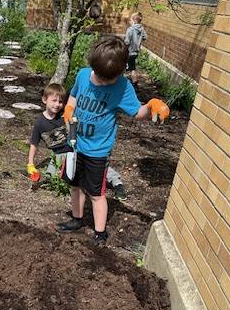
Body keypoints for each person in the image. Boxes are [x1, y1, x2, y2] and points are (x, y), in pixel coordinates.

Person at [57, 35, 164, 246]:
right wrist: (69, 108)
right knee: (76, 185)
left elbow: (137, 113)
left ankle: (100, 233)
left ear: (121, 71)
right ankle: (77, 219)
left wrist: (151, 105)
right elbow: (74, 96)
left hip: (98, 150)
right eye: (99, 77)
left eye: (108, 80)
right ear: (92, 66)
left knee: (96, 194)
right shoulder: (83, 75)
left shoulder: (123, 87)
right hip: (75, 144)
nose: (102, 82)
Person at [26, 83, 128, 201]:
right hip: (59, 156)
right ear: (44, 100)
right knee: (51, 175)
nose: (57, 104)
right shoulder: (39, 123)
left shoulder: (65, 115)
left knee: (92, 167)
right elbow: (34, 144)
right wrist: (30, 164)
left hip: (75, 150)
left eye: (60, 102)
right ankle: (77, 183)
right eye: (54, 100)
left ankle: (117, 184)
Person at [124, 11, 147, 87]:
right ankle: (135, 82)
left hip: (129, 52)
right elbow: (145, 37)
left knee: (121, 66)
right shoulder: (142, 29)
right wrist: (138, 41)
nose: (129, 22)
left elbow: (127, 42)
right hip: (136, 52)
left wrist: (123, 48)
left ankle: (118, 81)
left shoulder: (130, 29)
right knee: (132, 68)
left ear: (133, 21)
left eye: (130, 20)